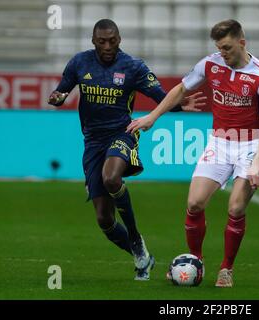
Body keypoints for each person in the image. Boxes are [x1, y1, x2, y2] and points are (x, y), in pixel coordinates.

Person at [48, 19, 205, 281]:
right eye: (102, 41)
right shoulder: (79, 63)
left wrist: (179, 105)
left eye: (112, 40)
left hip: (123, 133)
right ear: (93, 41)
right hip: (93, 143)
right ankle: (141, 254)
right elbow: (61, 90)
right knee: (103, 219)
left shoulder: (132, 67)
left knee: (111, 177)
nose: (108, 46)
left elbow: (160, 95)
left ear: (119, 39)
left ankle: (134, 236)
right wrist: (57, 97)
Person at [128, 19, 259, 287]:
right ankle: (195, 260)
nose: (223, 53)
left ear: (242, 42)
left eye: (227, 48)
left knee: (235, 206)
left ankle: (226, 269)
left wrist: (256, 163)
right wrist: (153, 117)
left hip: (251, 145)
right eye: (219, 48)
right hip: (220, 143)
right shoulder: (210, 64)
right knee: (195, 203)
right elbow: (181, 89)